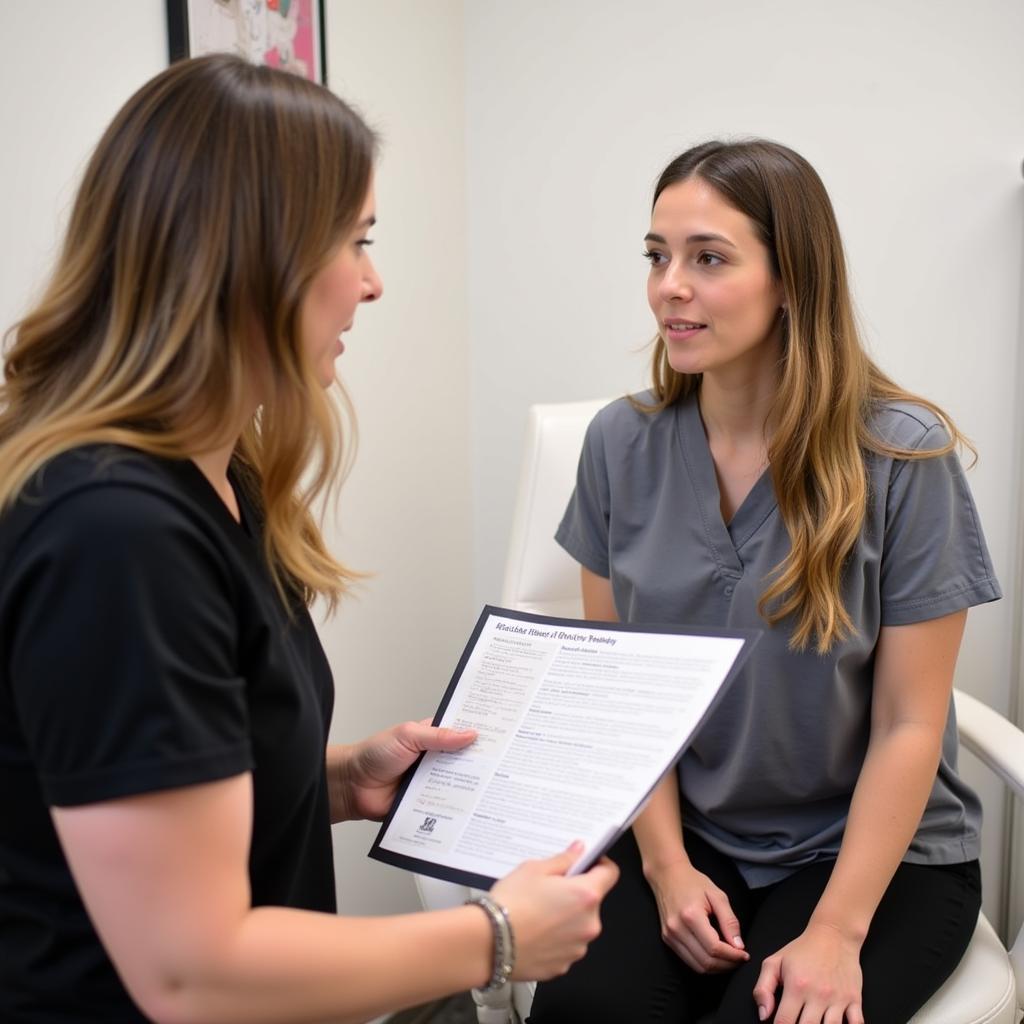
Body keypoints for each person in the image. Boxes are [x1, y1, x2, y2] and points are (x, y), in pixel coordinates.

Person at [0, 54, 618, 1024]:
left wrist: (337, 778)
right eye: (355, 241)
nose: (372, 284)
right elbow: (187, 970)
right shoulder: (112, 531)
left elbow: (161, 790)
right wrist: (494, 935)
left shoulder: (217, 473)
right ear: (254, 256)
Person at [528, 139, 1000, 1024]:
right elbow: (619, 697)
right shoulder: (618, 446)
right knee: (584, 1014)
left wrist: (837, 933)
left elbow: (910, 721)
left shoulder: (902, 456)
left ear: (792, 280)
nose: (671, 285)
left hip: (869, 859)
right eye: (657, 256)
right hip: (685, 833)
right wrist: (667, 870)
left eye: (708, 258)